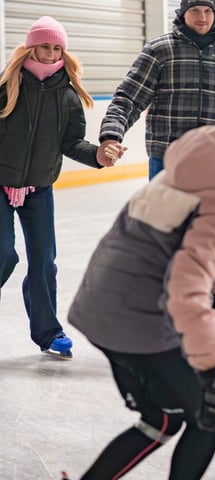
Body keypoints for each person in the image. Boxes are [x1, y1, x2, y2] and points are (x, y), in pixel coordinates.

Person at [67, 94, 215, 479]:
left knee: (162, 419)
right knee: (209, 412)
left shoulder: (200, 164)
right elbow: (185, 286)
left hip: (102, 303)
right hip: (137, 319)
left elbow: (174, 246)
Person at [0, 16, 124, 360]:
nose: (49, 52)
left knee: (44, 263)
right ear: (30, 47)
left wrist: (99, 155)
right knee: (3, 254)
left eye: (56, 47)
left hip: (39, 189)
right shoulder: (6, 86)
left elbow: (72, 143)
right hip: (0, 183)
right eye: (44, 45)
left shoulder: (68, 95)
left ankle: (48, 332)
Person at [98, 0, 215, 181]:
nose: (202, 17)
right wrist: (111, 135)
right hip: (168, 155)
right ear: (183, 13)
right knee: (167, 209)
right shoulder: (160, 50)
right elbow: (128, 99)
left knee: (212, 210)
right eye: (195, 10)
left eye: (207, 10)